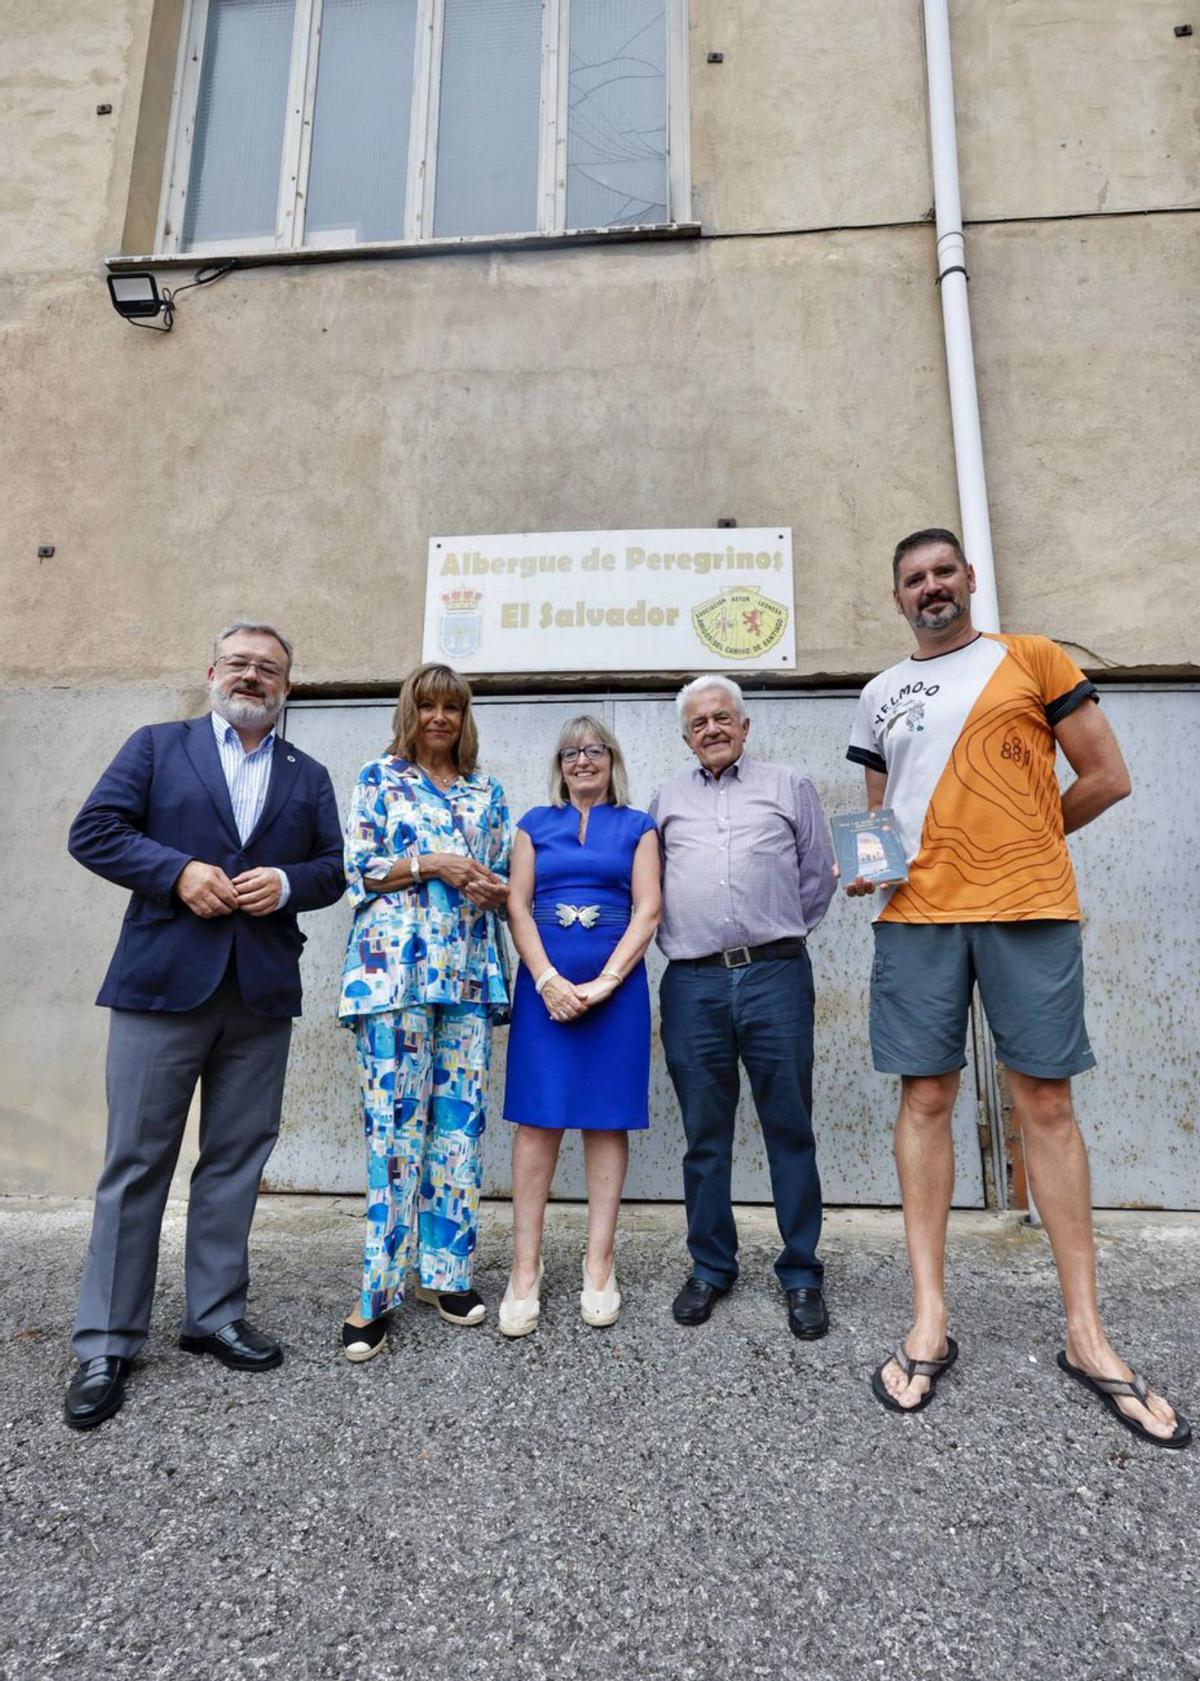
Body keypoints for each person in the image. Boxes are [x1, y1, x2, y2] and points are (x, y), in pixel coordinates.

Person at [845, 527, 1191, 1448]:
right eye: (913, 578)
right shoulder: (879, 693)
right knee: (925, 1096)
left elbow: (1107, 775)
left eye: (943, 572)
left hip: (1028, 908)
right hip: (915, 917)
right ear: (899, 597)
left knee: (1045, 1100)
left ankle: (1087, 1333)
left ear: (969, 578)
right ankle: (929, 1318)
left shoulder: (1031, 658)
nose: (931, 588)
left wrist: (1030, 841)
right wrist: (869, 866)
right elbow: (879, 816)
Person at [63, 621, 345, 1430]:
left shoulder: (308, 773)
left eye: (270, 668)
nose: (253, 677)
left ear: (287, 687)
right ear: (212, 670)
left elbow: (331, 866)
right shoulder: (158, 745)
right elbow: (95, 831)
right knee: (137, 1161)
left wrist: (288, 884)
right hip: (160, 986)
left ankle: (213, 1314)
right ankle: (107, 1340)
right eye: (241, 663)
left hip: (258, 996)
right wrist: (177, 870)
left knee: (235, 1160)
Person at [652, 676, 836, 1338]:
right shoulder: (665, 799)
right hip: (692, 982)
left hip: (775, 975)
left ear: (745, 724)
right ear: (685, 734)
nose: (711, 729)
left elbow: (817, 879)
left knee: (789, 1123)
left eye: (722, 717)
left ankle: (801, 1271)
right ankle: (710, 1265)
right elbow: (653, 888)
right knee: (705, 1134)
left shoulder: (789, 785)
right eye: (698, 722)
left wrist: (776, 933)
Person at [338, 663, 510, 1362]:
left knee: (458, 1134)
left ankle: (447, 1275)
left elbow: (498, 878)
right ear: (410, 712)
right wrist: (433, 862)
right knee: (393, 1134)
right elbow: (360, 870)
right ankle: (377, 1291)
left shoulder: (487, 790)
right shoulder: (379, 780)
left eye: (453, 707)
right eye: (428, 705)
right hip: (393, 976)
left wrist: (492, 886)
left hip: (466, 976)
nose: (440, 717)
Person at [500, 717, 660, 1336]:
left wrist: (607, 982)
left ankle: (599, 1265)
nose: (582, 761)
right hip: (544, 990)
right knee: (538, 1121)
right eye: (570, 752)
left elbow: (648, 909)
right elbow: (517, 903)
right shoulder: (532, 825)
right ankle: (525, 1270)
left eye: (594, 750)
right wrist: (544, 979)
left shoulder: (638, 826)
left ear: (611, 758)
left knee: (605, 1119)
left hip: (615, 994)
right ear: (559, 764)